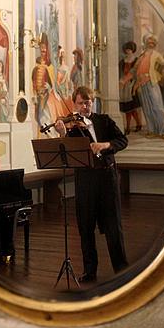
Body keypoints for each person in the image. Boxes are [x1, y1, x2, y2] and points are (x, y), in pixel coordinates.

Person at [54, 86, 128, 283]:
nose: (86, 106)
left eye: (88, 102)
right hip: (85, 180)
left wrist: (105, 145)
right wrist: (62, 134)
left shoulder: (104, 120)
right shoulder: (72, 127)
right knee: (85, 227)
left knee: (113, 226)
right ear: (74, 104)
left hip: (107, 178)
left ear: (92, 102)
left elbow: (122, 140)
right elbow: (67, 152)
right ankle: (89, 271)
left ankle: (121, 269)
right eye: (81, 103)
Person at [124, 33, 164, 139]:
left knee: (157, 107)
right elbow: (134, 70)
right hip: (141, 84)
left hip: (151, 82)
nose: (151, 43)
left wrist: (162, 72)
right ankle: (152, 130)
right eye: (149, 41)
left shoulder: (156, 55)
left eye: (153, 41)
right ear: (145, 42)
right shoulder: (141, 56)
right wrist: (124, 80)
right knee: (147, 108)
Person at [119, 41, 142, 134]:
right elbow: (120, 73)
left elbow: (137, 73)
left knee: (132, 108)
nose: (128, 51)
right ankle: (129, 126)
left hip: (132, 85)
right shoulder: (122, 61)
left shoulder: (136, 60)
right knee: (127, 109)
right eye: (127, 50)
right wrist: (122, 81)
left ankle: (136, 124)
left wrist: (132, 81)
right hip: (124, 85)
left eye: (130, 50)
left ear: (133, 50)